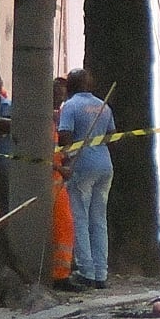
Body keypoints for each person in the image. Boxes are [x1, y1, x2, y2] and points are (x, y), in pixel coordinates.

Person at [57, 70, 115, 291]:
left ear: (70, 86)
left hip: (82, 165)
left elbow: (65, 136)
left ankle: (86, 271)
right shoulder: (103, 106)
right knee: (99, 219)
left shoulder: (70, 106)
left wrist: (65, 160)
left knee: (80, 217)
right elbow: (111, 135)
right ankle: (101, 272)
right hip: (104, 165)